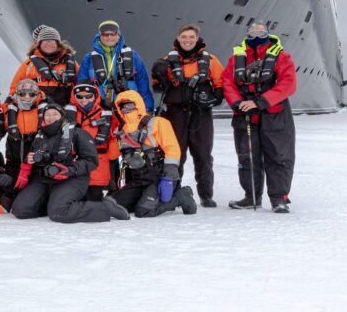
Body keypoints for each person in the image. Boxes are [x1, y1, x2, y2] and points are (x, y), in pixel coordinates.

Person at [222, 22, 297, 213]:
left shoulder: (281, 56)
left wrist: (261, 101)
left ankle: (278, 197)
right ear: (247, 34)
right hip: (245, 114)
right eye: (252, 31)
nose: (256, 34)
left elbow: (288, 84)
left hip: (275, 114)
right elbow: (228, 83)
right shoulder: (236, 58)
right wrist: (238, 103)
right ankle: (251, 196)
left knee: (278, 156)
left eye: (260, 31)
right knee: (247, 156)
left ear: (267, 33)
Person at [10, 103, 130, 223]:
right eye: (47, 114)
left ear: (62, 116)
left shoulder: (78, 133)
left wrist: (69, 170)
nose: (50, 117)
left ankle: (105, 207)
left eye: (55, 114)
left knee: (59, 213)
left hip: (72, 178)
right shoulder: (39, 135)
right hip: (44, 178)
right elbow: (35, 157)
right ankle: (54, 205)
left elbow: (92, 161)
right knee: (20, 210)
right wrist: (29, 160)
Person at [150, 24, 225, 207]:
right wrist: (158, 75)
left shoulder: (211, 61)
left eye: (191, 37)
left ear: (197, 38)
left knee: (203, 155)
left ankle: (206, 194)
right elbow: (158, 87)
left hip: (201, 114)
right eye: (184, 37)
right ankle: (174, 190)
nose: (188, 40)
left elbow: (220, 87)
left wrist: (212, 101)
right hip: (176, 114)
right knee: (176, 154)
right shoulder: (168, 60)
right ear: (178, 38)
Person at [111, 91, 197, 217]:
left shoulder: (157, 122)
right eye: (123, 107)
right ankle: (147, 199)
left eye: (130, 105)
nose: (127, 109)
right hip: (138, 179)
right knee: (116, 206)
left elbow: (172, 149)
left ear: (138, 104)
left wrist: (169, 178)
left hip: (159, 177)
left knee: (143, 211)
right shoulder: (120, 130)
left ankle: (180, 196)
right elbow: (112, 154)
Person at [77, 20, 154, 108]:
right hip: (99, 107)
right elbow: (81, 86)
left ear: (118, 36)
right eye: (105, 34)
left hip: (129, 106)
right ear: (100, 36)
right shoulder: (88, 59)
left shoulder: (133, 55)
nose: (109, 37)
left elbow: (143, 84)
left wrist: (148, 109)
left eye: (113, 34)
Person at [64, 81, 118, 201]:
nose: (84, 100)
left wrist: (112, 157)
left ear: (95, 96)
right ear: (74, 97)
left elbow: (116, 133)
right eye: (79, 96)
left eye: (88, 96)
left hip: (99, 161)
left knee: (94, 198)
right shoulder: (67, 113)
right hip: (75, 162)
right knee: (74, 198)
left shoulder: (106, 113)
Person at [10, 25, 79, 106]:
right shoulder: (28, 64)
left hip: (64, 108)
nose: (48, 43)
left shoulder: (70, 63)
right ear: (39, 44)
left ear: (58, 44)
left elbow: (80, 85)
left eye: (52, 41)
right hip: (36, 108)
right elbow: (14, 88)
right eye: (45, 40)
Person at [2, 79, 46, 198]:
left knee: (30, 197)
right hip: (14, 160)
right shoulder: (8, 109)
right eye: (22, 93)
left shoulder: (46, 109)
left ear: (37, 94)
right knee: (8, 193)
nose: (27, 97)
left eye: (31, 94)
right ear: (17, 94)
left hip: (35, 162)